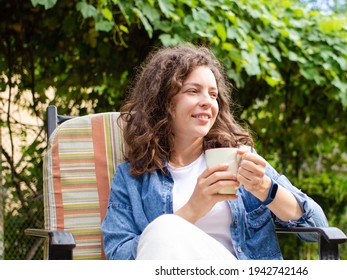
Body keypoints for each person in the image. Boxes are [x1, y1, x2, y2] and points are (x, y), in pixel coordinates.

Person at [101, 44, 328, 260]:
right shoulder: (132, 178)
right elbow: (119, 256)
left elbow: (316, 228)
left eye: (213, 94)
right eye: (193, 91)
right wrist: (192, 210)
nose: (207, 102)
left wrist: (264, 188)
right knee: (163, 228)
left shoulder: (238, 158)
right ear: (163, 101)